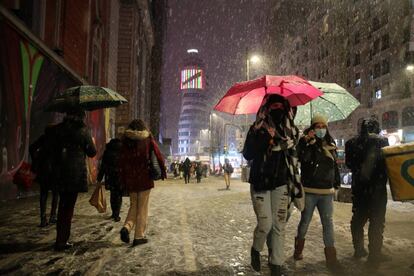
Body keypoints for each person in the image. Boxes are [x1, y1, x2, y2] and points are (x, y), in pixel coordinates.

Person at [243, 94, 301, 276]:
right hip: (260, 182)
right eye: (273, 106)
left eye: (280, 106)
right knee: (265, 224)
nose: (277, 110)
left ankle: (276, 263)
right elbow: (248, 154)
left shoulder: (291, 131)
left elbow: (295, 154)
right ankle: (256, 248)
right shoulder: (258, 127)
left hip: (281, 182)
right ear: (267, 108)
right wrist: (264, 138)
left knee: (279, 225)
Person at [293, 114, 342, 271]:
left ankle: (331, 258)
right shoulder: (307, 142)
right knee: (305, 221)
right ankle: (298, 250)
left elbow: (335, 166)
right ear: (312, 128)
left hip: (327, 191)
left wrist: (337, 183)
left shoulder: (331, 143)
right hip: (310, 190)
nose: (321, 129)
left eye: (323, 126)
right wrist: (305, 142)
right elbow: (300, 157)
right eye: (317, 126)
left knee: (328, 223)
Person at [345, 118, 390, 264]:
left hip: (360, 188)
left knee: (358, 219)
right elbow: (387, 165)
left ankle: (358, 249)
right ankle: (375, 254)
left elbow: (349, 164)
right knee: (377, 222)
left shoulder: (351, 143)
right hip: (378, 189)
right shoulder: (383, 142)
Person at [119, 119, 166, 246]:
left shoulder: (125, 140)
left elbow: (121, 161)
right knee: (143, 207)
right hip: (144, 177)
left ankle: (127, 227)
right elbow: (158, 155)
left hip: (131, 178)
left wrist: (123, 178)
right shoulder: (147, 139)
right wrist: (163, 171)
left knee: (134, 205)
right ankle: (139, 235)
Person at [54, 110, 97, 251]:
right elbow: (92, 151)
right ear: (81, 117)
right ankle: (62, 240)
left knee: (62, 205)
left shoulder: (59, 129)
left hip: (60, 170)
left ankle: (60, 237)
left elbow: (52, 147)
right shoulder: (83, 130)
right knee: (68, 207)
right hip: (75, 172)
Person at [29, 124, 60, 227]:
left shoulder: (43, 138)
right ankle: (53, 216)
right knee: (55, 194)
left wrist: (36, 158)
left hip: (44, 171)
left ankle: (43, 219)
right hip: (55, 171)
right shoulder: (57, 140)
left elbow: (32, 147)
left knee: (43, 194)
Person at [97, 138, 123, 222]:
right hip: (120, 177)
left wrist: (99, 178)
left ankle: (113, 213)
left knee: (113, 195)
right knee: (118, 196)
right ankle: (117, 214)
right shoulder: (122, 151)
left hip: (110, 176)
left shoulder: (107, 152)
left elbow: (103, 167)